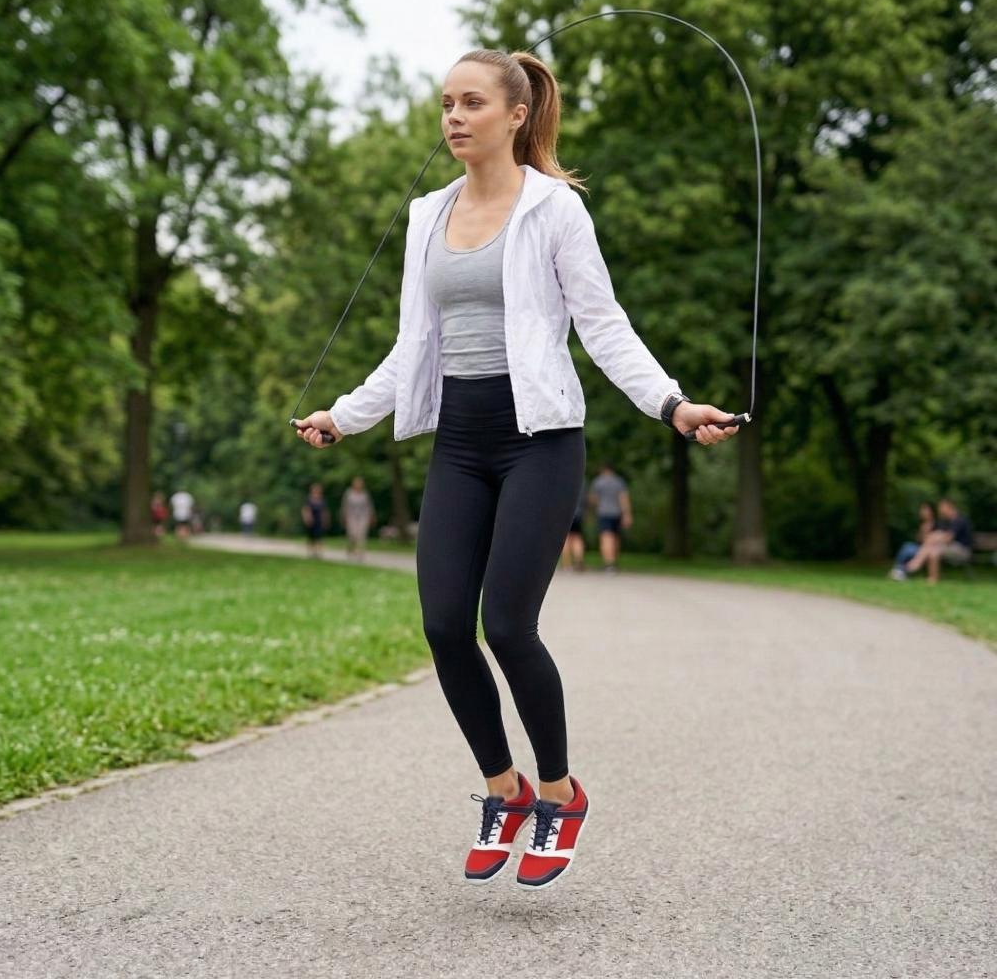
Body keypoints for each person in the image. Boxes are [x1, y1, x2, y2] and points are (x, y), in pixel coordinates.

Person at [292, 49, 738, 890]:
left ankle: (561, 795)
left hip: (539, 440)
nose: (454, 118)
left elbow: (603, 325)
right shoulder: (427, 215)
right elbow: (412, 346)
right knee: (442, 625)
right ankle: (506, 789)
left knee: (506, 625)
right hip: (459, 441)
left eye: (471, 103)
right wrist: (344, 415)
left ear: (516, 114)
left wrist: (672, 404)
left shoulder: (555, 209)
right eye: (445, 104)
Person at [899, 497, 973, 584]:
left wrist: (936, 537)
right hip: (949, 547)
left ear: (949, 507)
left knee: (934, 548)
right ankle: (928, 575)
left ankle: (915, 566)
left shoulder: (959, 520)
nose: (940, 510)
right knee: (933, 548)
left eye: (942, 507)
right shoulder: (945, 521)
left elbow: (948, 539)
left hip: (962, 550)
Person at [589, 464, 632, 573]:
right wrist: (627, 514)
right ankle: (614, 562)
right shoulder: (619, 481)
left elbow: (593, 499)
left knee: (606, 538)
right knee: (616, 538)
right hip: (617, 513)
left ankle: (609, 564)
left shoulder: (598, 481)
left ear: (603, 470)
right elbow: (623, 498)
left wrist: (596, 507)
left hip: (603, 513)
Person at [888, 501, 936, 580]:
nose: (922, 512)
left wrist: (924, 535)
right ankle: (898, 569)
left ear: (931, 511)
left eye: (925, 509)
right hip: (920, 546)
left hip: (926, 549)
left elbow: (928, 540)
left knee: (907, 548)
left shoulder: (935, 524)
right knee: (906, 546)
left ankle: (899, 571)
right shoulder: (923, 524)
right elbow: (918, 539)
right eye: (921, 510)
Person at [341, 477, 376, 561]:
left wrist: (372, 516)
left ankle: (360, 553)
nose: (358, 485)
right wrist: (344, 516)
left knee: (362, 535)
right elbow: (345, 506)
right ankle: (350, 549)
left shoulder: (365, 494)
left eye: (360, 484)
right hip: (351, 517)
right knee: (352, 535)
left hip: (363, 517)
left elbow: (369, 506)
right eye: (357, 483)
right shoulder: (348, 493)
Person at [560, 480, 587, 571]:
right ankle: (579, 562)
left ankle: (567, 564)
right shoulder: (581, 480)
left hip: (565, 513)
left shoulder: (563, 480)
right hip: (578, 513)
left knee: (566, 538)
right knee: (577, 537)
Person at [301, 483, 329, 559]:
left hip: (319, 521)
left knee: (319, 537)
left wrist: (325, 520)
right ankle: (311, 552)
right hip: (311, 521)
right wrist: (306, 518)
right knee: (311, 537)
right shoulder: (309, 499)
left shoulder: (322, 500)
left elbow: (324, 511)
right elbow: (305, 509)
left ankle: (318, 552)